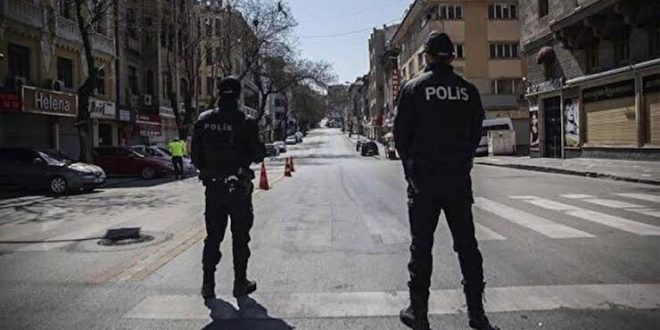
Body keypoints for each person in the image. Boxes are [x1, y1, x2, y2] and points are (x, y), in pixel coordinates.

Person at [394, 32, 499, 330]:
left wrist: (411, 171)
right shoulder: (467, 90)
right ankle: (477, 314)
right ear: (452, 57)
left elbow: (402, 136)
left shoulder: (413, 89)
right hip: (456, 181)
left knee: (421, 247)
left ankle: (419, 313)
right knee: (467, 247)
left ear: (427, 56)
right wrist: (463, 160)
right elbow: (475, 130)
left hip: (424, 182)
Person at [191, 76, 266, 300]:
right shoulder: (246, 120)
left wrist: (210, 169)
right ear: (239, 94)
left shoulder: (203, 120)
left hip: (213, 189)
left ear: (218, 92)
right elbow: (258, 154)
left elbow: (194, 157)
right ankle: (239, 283)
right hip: (238, 189)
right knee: (240, 238)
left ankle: (208, 285)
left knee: (213, 237)